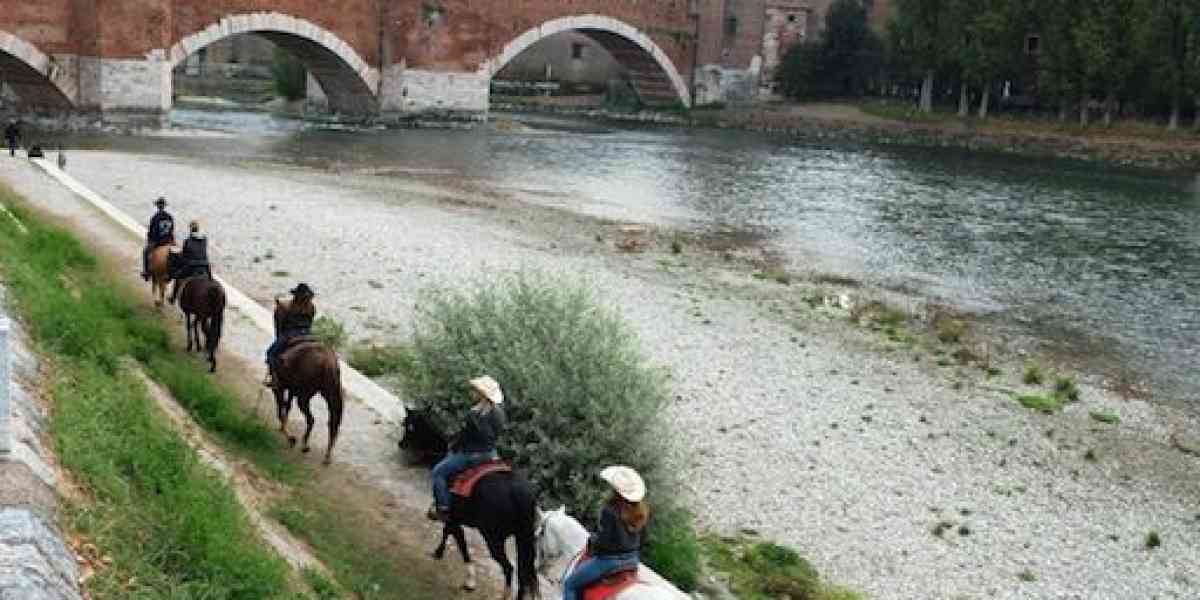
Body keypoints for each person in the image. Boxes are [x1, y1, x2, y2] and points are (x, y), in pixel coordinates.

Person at [562, 466, 649, 600]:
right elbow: (642, 540)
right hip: (632, 561)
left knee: (570, 584)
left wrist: (593, 540)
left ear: (616, 490)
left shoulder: (610, 510)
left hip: (609, 562)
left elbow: (605, 542)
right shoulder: (642, 512)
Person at [427, 376, 506, 522]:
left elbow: (465, 437)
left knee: (438, 472)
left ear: (482, 394)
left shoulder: (474, 414)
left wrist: (454, 445)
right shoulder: (499, 414)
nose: (473, 392)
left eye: (476, 391)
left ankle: (443, 508)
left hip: (473, 454)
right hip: (491, 454)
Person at [263, 283, 316, 388]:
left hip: (291, 334)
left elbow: (281, 326)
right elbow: (310, 322)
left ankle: (273, 377)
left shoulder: (288, 307)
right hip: (308, 334)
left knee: (270, 353)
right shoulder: (311, 307)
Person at [168, 220, 211, 304]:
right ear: (198, 229)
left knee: (178, 278)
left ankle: (173, 297)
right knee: (210, 278)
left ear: (191, 230)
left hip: (192, 266)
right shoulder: (205, 239)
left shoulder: (187, 240)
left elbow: (184, 255)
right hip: (205, 265)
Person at [141, 197, 175, 281]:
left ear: (157, 206)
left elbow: (152, 232)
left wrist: (150, 239)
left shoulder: (155, 217)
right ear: (164, 206)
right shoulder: (169, 217)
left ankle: (146, 272)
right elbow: (172, 229)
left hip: (158, 242)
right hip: (168, 241)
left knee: (145, 252)